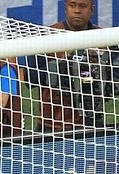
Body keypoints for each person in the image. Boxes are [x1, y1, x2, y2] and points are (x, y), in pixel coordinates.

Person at [25, 0, 115, 131]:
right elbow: (30, 78)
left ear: (92, 10)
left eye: (83, 6)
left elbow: (114, 81)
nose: (77, 10)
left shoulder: (104, 39)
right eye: (72, 5)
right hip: (53, 125)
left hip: (92, 121)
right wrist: (63, 69)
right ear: (65, 8)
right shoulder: (47, 36)